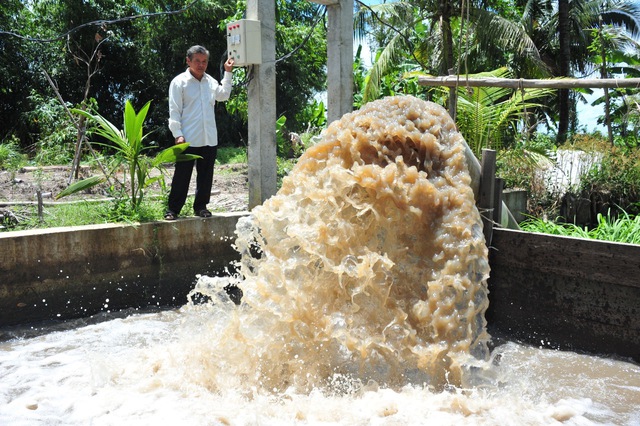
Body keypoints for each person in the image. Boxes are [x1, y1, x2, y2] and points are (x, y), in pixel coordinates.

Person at [164, 45, 235, 220]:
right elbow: (174, 111)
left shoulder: (210, 81)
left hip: (208, 137)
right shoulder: (179, 82)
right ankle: (173, 210)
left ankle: (201, 207)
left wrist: (228, 72)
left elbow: (224, 95)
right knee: (182, 176)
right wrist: (177, 134)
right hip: (187, 138)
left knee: (206, 176)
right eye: (197, 61)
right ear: (188, 61)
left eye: (204, 61)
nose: (201, 65)